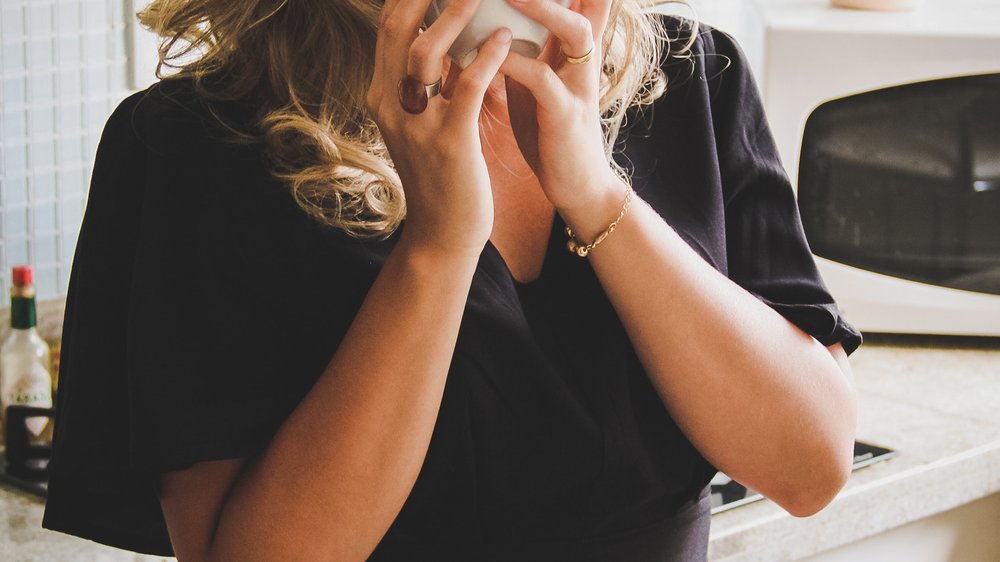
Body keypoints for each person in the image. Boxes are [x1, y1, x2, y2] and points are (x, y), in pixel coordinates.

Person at [42, 0, 863, 560]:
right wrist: (439, 244)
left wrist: (593, 190)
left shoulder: (691, 76)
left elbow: (811, 465)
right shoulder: (194, 148)